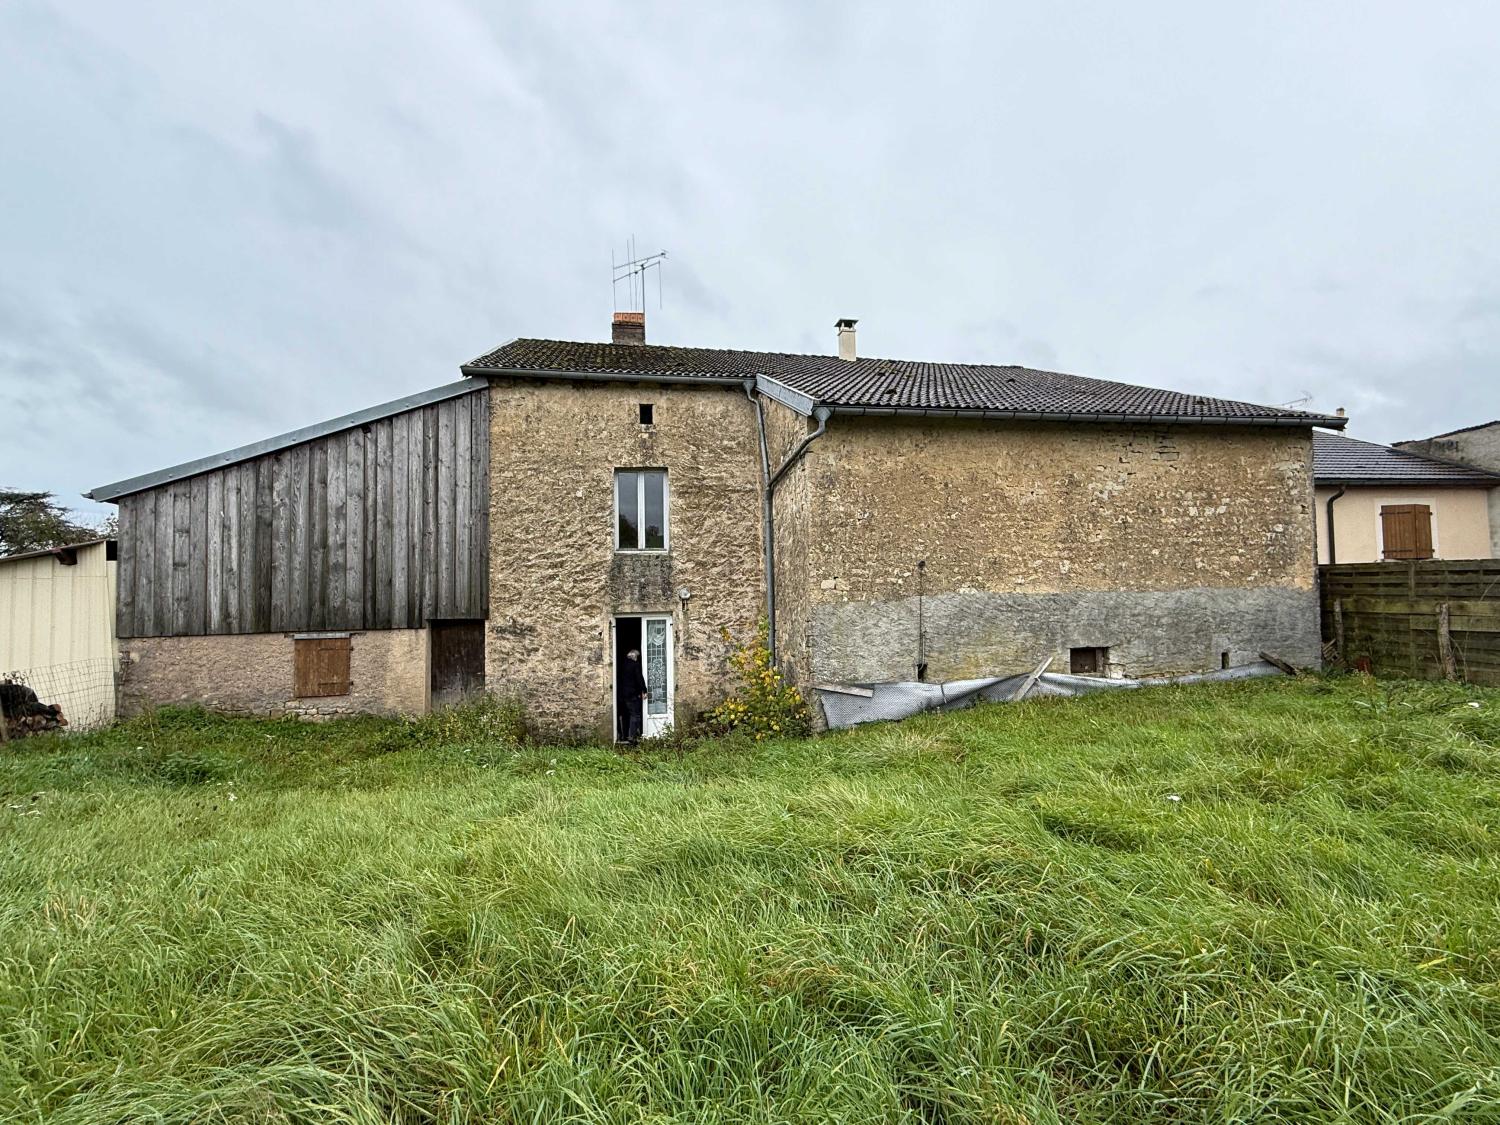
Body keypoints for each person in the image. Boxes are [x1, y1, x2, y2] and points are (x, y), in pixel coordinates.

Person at [621, 648, 649, 743]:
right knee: (635, 715)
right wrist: (644, 690)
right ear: (635, 657)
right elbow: (639, 678)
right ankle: (632, 737)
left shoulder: (624, 665)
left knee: (628, 714)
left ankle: (625, 735)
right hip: (633, 694)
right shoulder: (635, 665)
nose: (638, 658)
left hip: (624, 694)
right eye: (637, 657)